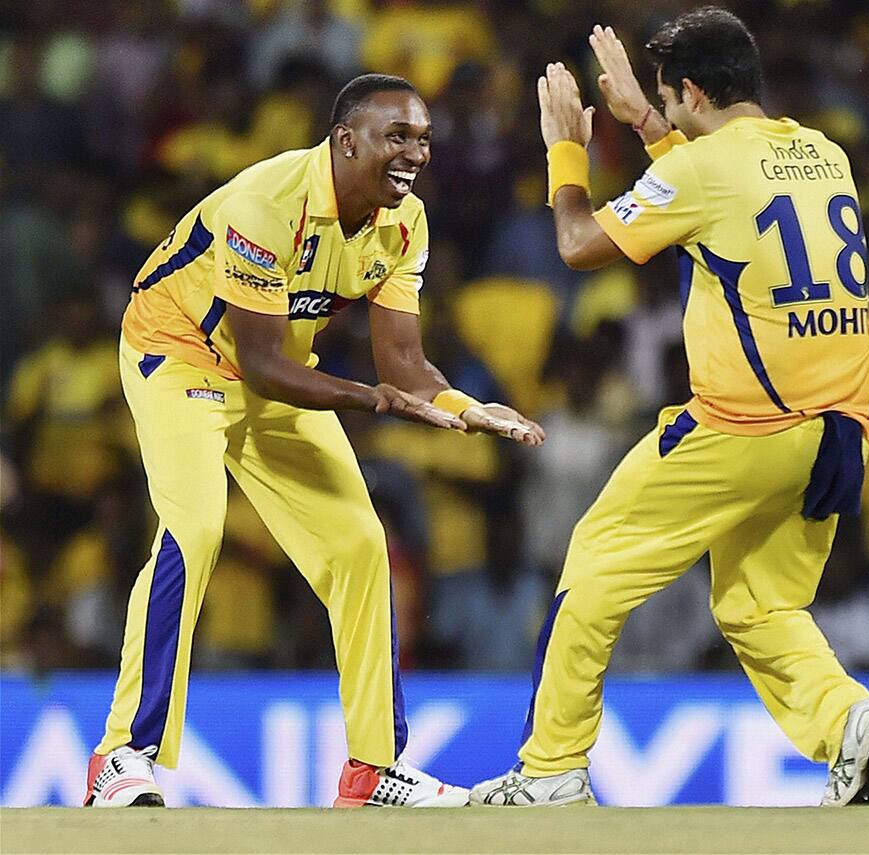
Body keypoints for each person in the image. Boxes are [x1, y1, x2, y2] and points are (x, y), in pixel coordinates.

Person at [471, 8, 869, 808]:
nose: (666, 113)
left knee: (593, 567)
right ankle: (849, 721)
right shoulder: (823, 153)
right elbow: (717, 202)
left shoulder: (704, 170)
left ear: (695, 93)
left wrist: (565, 145)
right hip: (838, 430)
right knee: (758, 603)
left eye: (671, 101)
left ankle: (551, 768)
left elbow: (577, 243)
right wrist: (642, 117)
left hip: (741, 430)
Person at [84, 73, 544, 809]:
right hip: (179, 355)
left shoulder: (406, 223)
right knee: (195, 528)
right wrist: (373, 400)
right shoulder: (266, 204)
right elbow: (264, 363)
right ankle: (120, 755)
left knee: (362, 545)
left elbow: (403, 363)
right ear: (346, 140)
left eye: (423, 139)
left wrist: (462, 403)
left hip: (279, 371)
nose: (416, 153)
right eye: (399, 136)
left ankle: (372, 770)